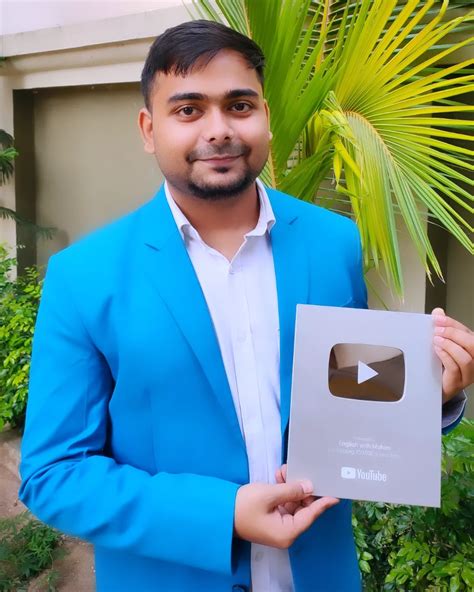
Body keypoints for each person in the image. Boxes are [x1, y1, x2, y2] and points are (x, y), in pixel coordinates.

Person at [19, 20, 471, 592]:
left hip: (321, 575)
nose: (219, 130)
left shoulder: (333, 243)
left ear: (264, 117)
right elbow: (54, 474)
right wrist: (223, 514)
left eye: (239, 105)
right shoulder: (85, 275)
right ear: (149, 128)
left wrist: (433, 395)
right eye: (188, 110)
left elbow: (348, 403)